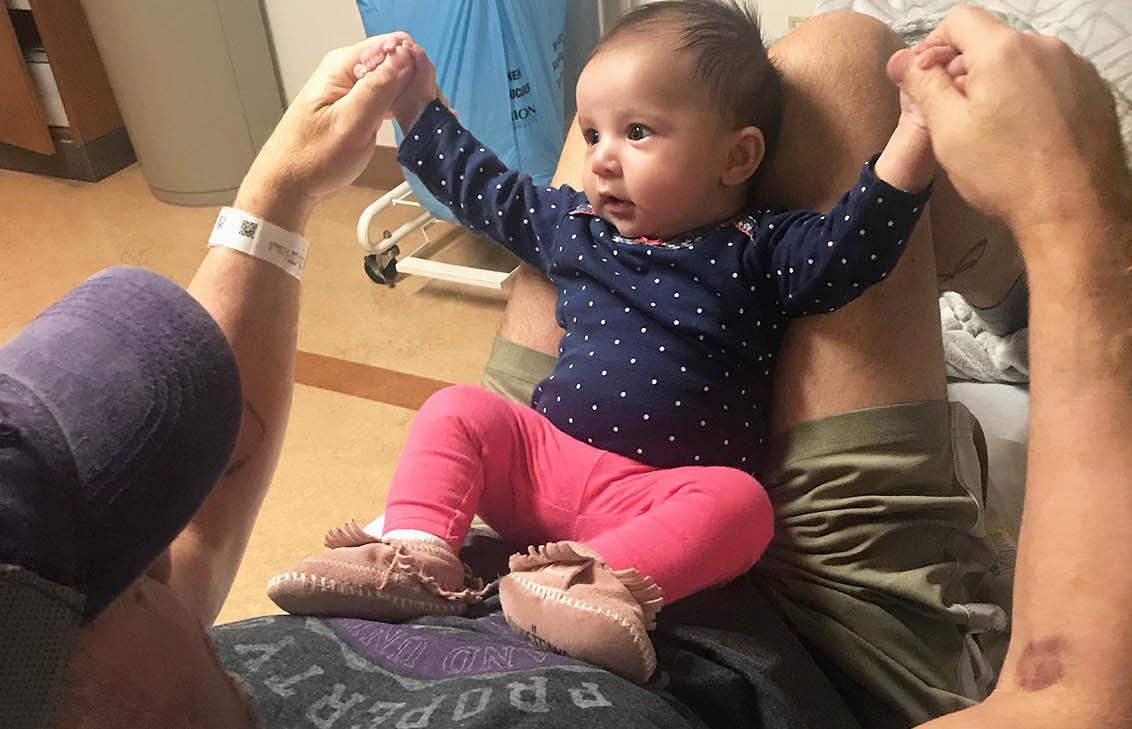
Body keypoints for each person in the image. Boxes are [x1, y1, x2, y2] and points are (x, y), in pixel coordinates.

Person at [1, 4, 1132, 729]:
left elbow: (195, 516)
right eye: (104, 561)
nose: (154, 548)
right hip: (776, 622)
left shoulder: (129, 666)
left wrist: (273, 196)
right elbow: (1113, 712)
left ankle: (412, 542)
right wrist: (1075, 214)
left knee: (732, 90)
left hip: (505, 513)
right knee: (838, 67)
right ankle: (1005, 294)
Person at [264, 0, 940, 685]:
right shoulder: (576, 224)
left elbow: (854, 246)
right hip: (542, 465)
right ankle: (414, 554)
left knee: (743, 505)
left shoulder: (761, 246)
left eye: (637, 132)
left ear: (737, 156)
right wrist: (415, 105)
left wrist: (915, 128)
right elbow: (482, 189)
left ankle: (587, 584)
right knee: (458, 410)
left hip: (659, 503)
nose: (601, 161)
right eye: (591, 134)